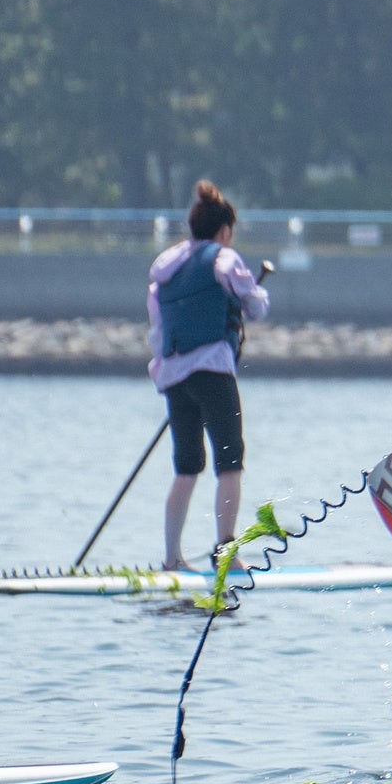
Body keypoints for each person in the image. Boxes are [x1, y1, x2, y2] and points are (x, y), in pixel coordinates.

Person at [143, 180, 270, 568]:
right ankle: (227, 555)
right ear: (225, 230)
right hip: (213, 372)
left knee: (186, 467)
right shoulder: (224, 259)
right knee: (230, 462)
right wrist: (246, 300)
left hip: (174, 377)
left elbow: (158, 330)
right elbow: (256, 306)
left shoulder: (167, 267)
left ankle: (171, 559)